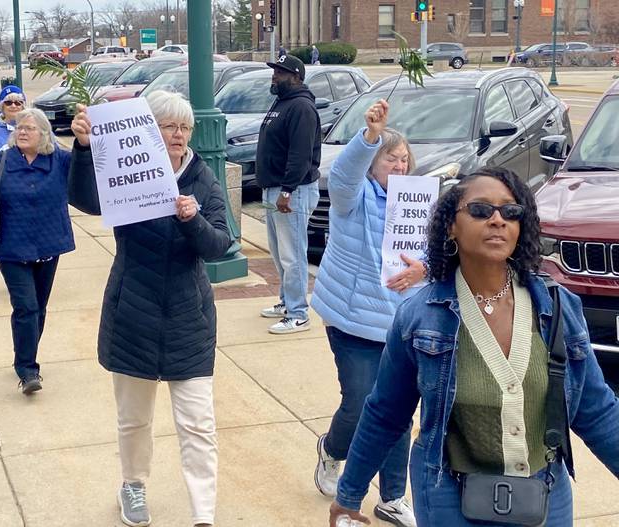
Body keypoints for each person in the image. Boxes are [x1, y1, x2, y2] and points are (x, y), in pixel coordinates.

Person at [329, 166, 619, 527]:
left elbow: (597, 411)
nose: (497, 220)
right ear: (451, 224)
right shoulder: (421, 319)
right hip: (450, 499)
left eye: (510, 212)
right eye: (481, 210)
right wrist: (350, 494)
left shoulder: (559, 308)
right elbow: (385, 414)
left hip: (545, 498)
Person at [69, 90, 232, 527]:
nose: (178, 135)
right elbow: (86, 200)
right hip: (133, 312)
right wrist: (84, 149)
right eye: (168, 126)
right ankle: (133, 485)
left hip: (188, 318)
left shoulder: (202, 178)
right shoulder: (127, 169)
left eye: (184, 128)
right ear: (148, 131)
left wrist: (192, 218)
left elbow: (220, 244)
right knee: (134, 419)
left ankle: (203, 512)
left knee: (198, 424)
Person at [311, 99, 419, 527]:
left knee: (397, 411)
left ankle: (393, 497)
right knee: (359, 404)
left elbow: (432, 253)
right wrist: (369, 135)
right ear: (373, 164)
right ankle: (332, 450)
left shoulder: (415, 203)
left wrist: (424, 269)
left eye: (404, 159)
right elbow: (341, 176)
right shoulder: (351, 199)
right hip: (352, 319)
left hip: (399, 324)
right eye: (391, 158)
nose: (400, 165)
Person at [0, 108, 74, 395]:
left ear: (44, 134)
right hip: (13, 249)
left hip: (49, 247)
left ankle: (24, 356)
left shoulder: (59, 160)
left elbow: (87, 170)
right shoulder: (3, 160)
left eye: (30, 128)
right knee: (26, 306)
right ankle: (27, 370)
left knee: (38, 309)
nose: (22, 132)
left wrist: (85, 142)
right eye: (19, 128)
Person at [256, 54, 321, 334]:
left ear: (295, 77)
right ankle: (286, 301)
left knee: (293, 254)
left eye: (280, 72)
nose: (274, 76)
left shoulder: (301, 108)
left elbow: (300, 154)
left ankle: (298, 314)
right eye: (274, 71)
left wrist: (287, 190)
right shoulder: (282, 103)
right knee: (279, 251)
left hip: (292, 192)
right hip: (274, 189)